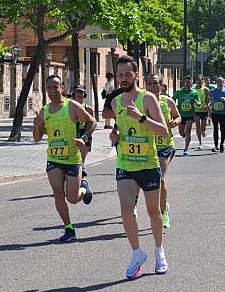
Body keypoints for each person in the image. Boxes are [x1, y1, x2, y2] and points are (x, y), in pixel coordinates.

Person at [108, 55, 169, 279]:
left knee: (153, 212)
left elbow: (163, 131)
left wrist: (142, 118)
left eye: (127, 74)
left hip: (148, 164)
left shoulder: (148, 99)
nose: (123, 79)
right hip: (125, 164)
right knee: (126, 211)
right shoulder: (115, 102)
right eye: (120, 75)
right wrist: (115, 137)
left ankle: (159, 251)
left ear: (136, 75)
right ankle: (136, 254)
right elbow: (120, 130)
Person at [33, 75, 97, 243]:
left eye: (56, 87)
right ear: (46, 90)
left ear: (62, 87)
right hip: (53, 157)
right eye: (49, 88)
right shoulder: (44, 111)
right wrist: (37, 126)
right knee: (58, 193)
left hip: (72, 158)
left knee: (73, 198)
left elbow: (92, 122)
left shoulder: (72, 106)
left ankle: (84, 189)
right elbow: (37, 138)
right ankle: (69, 228)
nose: (53, 91)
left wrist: (83, 138)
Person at [146, 74, 181, 229]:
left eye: (156, 83)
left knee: (160, 178)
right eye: (150, 83)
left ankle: (164, 212)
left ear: (161, 85)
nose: (153, 86)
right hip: (148, 146)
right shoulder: (143, 102)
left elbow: (178, 116)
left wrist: (175, 122)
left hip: (166, 145)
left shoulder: (168, 101)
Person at [173, 76, 200, 156]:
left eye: (190, 82)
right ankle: (184, 135)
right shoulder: (179, 92)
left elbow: (199, 103)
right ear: (184, 83)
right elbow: (173, 100)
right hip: (181, 115)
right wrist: (174, 107)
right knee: (181, 132)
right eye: (187, 82)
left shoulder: (194, 92)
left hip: (190, 115)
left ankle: (186, 149)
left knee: (188, 130)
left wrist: (197, 103)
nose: (189, 84)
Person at [72, 85, 95, 175]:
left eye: (81, 92)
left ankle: (82, 166)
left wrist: (88, 134)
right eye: (77, 92)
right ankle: (80, 169)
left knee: (83, 154)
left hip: (85, 133)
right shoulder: (71, 107)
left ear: (84, 94)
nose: (79, 94)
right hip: (74, 132)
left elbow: (93, 122)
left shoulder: (88, 108)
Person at [209, 77, 225, 153]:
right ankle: (216, 145)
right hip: (215, 113)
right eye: (219, 82)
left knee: (223, 129)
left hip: (223, 113)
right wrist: (209, 105)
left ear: (223, 83)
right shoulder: (212, 91)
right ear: (216, 82)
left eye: (222, 82)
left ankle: (222, 144)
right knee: (215, 128)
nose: (220, 83)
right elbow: (209, 100)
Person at [193, 76, 210, 149]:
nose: (199, 81)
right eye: (197, 80)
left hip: (204, 110)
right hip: (196, 110)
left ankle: (203, 130)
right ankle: (200, 142)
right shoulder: (193, 90)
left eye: (200, 80)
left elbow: (210, 98)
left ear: (202, 81)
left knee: (203, 126)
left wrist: (207, 105)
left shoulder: (205, 89)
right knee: (197, 125)